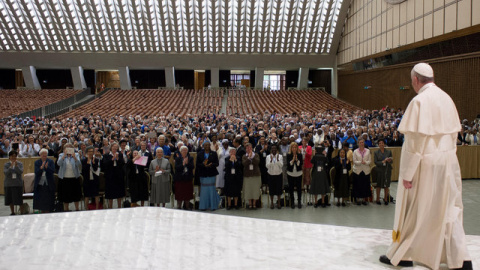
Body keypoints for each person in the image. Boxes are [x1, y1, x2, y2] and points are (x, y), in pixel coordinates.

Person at [380, 63, 472, 270]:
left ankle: (403, 254)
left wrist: (407, 173)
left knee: (415, 210)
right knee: (450, 209)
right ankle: (462, 259)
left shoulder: (419, 101)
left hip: (425, 164)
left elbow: (414, 143)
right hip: (448, 161)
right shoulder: (447, 98)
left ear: (415, 79)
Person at [57, 143, 82, 211]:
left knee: (76, 195)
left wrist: (74, 157)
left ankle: (77, 208)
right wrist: (64, 156)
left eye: (70, 148)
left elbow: (79, 164)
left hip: (74, 177)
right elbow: (59, 163)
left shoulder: (76, 155)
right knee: (65, 196)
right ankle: (66, 209)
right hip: (64, 178)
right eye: (66, 148)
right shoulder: (61, 155)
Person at [196, 141, 220, 210]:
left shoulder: (214, 153)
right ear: (203, 146)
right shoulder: (200, 154)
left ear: (210, 145)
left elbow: (217, 163)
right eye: (205, 145)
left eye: (208, 145)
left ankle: (213, 205)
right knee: (204, 191)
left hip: (211, 174)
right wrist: (203, 165)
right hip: (203, 174)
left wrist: (211, 165)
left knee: (211, 190)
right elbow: (197, 164)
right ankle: (203, 206)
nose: (207, 146)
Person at [102, 142, 126, 209]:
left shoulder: (120, 154)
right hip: (110, 176)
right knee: (110, 194)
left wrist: (118, 159)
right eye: (113, 147)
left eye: (116, 147)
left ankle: (119, 207)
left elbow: (122, 164)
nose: (115, 149)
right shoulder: (106, 155)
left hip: (118, 176)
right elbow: (105, 164)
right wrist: (112, 159)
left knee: (119, 194)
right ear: (111, 148)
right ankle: (110, 208)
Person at [352, 138, 371, 205]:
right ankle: (357, 199)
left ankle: (364, 199)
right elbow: (354, 161)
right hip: (357, 170)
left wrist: (365, 162)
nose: (361, 144)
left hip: (366, 170)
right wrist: (360, 162)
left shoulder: (368, 151)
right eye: (360, 142)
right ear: (358, 143)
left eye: (362, 142)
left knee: (365, 185)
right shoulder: (355, 151)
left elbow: (369, 161)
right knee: (358, 185)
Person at [3, 151, 24, 215]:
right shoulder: (6, 165)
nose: (13, 157)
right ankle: (12, 212)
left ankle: (22, 212)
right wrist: (10, 167)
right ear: (9, 157)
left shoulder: (20, 164)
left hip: (18, 184)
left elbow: (20, 172)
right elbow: (6, 173)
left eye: (15, 156)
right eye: (12, 156)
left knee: (19, 199)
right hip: (9, 184)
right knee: (10, 199)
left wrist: (16, 166)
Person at [242, 143, 261, 209]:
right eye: (247, 148)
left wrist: (252, 157)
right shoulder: (244, 156)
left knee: (255, 190)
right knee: (248, 190)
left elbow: (257, 162)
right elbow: (244, 164)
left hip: (256, 175)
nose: (249, 149)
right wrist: (249, 158)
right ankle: (250, 203)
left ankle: (254, 204)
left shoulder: (256, 155)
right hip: (247, 175)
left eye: (250, 148)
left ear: (252, 148)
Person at [373, 140, 392, 205]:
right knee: (379, 185)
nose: (381, 144)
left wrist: (389, 160)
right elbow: (375, 162)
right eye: (380, 143)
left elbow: (391, 160)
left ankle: (385, 198)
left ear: (384, 144)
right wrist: (382, 162)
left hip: (387, 170)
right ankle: (378, 199)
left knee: (386, 185)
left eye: (382, 143)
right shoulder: (376, 152)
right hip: (380, 170)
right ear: (378, 145)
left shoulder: (389, 152)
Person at [265, 144, 283, 209]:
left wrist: (277, 160)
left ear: (277, 150)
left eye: (275, 149)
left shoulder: (280, 156)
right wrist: (271, 161)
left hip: (278, 175)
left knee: (279, 189)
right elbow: (267, 166)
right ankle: (272, 203)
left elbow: (281, 166)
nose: (274, 150)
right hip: (271, 175)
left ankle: (278, 203)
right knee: (271, 189)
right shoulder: (268, 157)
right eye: (272, 149)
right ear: (271, 150)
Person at [286, 142, 303, 209]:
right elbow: (288, 164)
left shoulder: (300, 155)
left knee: (299, 188)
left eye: (295, 147)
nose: (294, 149)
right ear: (291, 148)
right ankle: (292, 202)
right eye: (293, 147)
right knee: (291, 188)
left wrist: (297, 160)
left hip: (298, 173)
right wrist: (293, 160)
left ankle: (299, 201)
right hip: (290, 173)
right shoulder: (289, 155)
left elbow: (300, 164)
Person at [299, 137, 313, 204]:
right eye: (303, 141)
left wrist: (305, 152)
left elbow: (310, 155)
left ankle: (307, 187)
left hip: (307, 163)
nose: (304, 142)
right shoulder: (299, 147)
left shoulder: (309, 147)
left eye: (305, 141)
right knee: (302, 175)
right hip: (302, 163)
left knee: (307, 176)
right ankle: (302, 187)